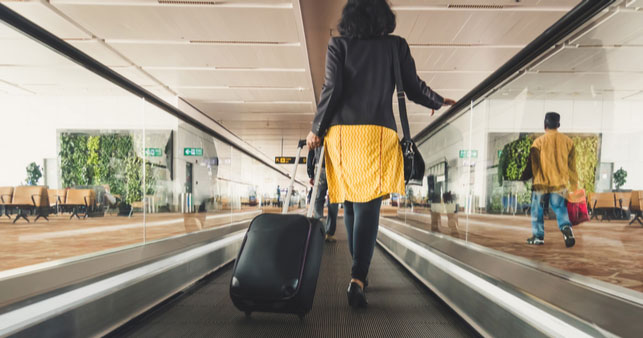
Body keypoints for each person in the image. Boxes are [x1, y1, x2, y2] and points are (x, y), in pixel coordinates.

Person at [306, 0, 455, 309]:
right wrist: (437, 100)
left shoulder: (338, 45)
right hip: (377, 134)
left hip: (343, 135)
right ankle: (358, 276)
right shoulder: (395, 46)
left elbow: (331, 89)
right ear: (383, 16)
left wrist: (316, 129)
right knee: (368, 205)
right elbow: (413, 87)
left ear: (350, 17)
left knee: (350, 200)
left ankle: (357, 270)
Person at [523, 112, 577, 248]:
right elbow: (572, 167)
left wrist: (524, 177)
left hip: (541, 183)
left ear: (545, 125)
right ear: (558, 125)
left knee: (537, 209)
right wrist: (574, 185)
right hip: (559, 184)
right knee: (560, 208)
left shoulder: (538, 142)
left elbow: (532, 165)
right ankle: (566, 228)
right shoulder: (568, 142)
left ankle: (538, 236)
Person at [307, 143, 339, 242]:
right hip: (335, 167)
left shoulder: (317, 133)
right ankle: (329, 233)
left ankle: (319, 230)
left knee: (318, 199)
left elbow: (311, 154)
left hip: (320, 167)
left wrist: (310, 173)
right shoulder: (337, 129)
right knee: (333, 200)